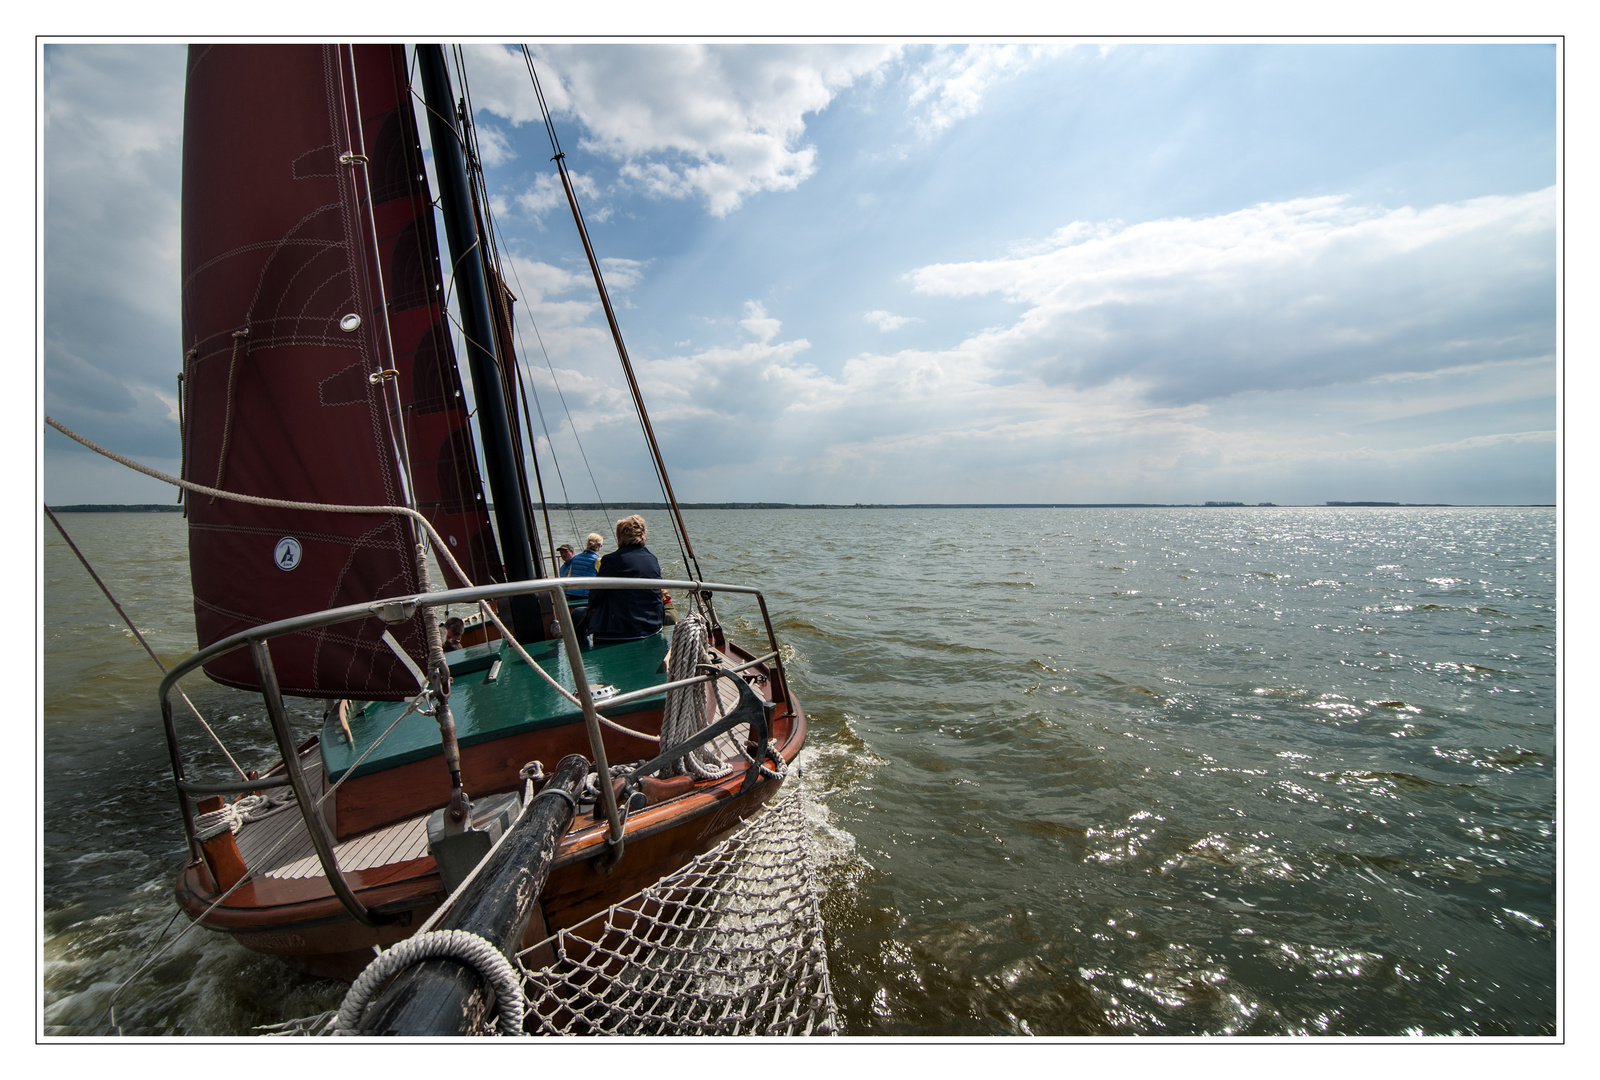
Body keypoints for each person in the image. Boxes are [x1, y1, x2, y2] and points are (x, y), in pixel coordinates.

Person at [585, 515, 664, 646]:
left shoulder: (611, 560)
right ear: (643, 535)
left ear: (620, 537)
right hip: (653, 626)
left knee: (577, 615)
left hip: (620, 631)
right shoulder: (652, 559)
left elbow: (594, 598)